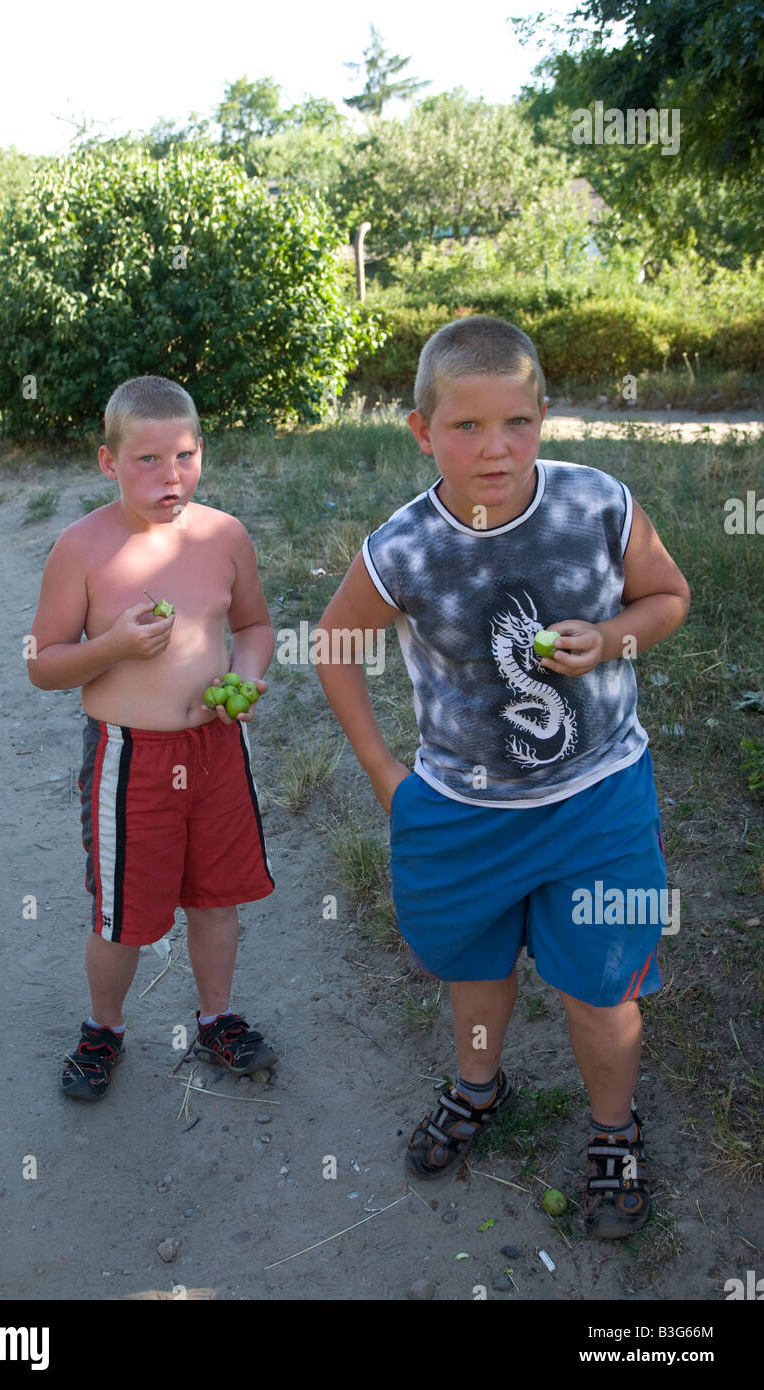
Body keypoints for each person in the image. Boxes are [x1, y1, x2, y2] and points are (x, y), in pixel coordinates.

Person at [315, 316, 690, 1237]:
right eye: (467, 427)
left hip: (600, 799)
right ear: (421, 431)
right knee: (475, 972)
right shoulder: (402, 547)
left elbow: (668, 597)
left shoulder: (597, 502)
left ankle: (613, 1131)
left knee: (604, 991)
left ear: (544, 417)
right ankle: (479, 1085)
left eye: (517, 423)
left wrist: (610, 639)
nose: (495, 448)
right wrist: (384, 774)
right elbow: (335, 645)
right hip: (463, 813)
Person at [28, 375, 277, 1100]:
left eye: (186, 456)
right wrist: (111, 647)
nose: (171, 477)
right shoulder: (83, 548)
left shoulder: (224, 536)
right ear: (108, 462)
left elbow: (254, 626)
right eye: (147, 461)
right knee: (124, 916)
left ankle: (217, 1017)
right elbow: (42, 663)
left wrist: (249, 678)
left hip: (217, 751)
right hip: (129, 760)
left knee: (216, 897)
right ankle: (104, 1028)